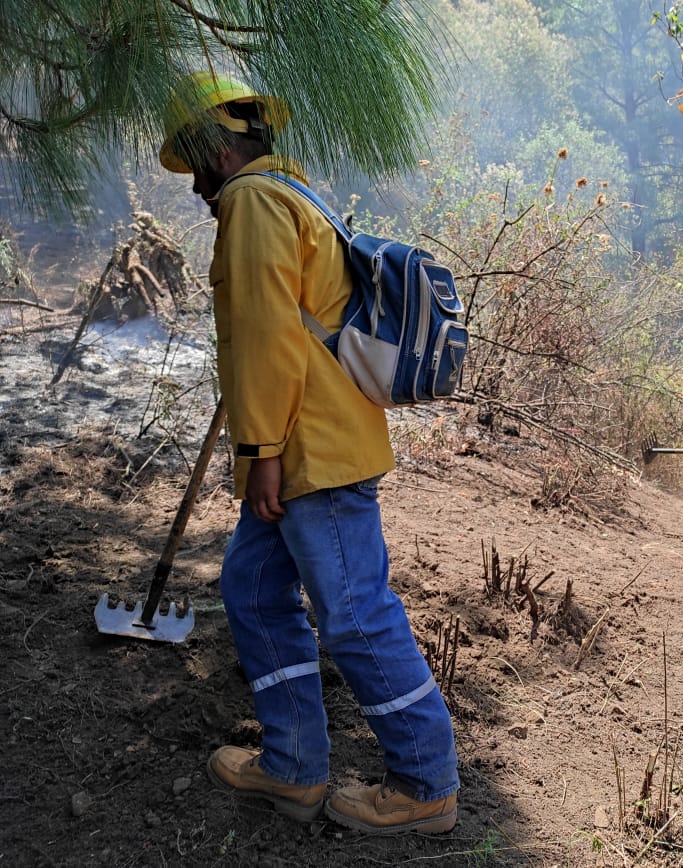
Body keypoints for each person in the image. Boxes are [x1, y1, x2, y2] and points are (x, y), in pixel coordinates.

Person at [158, 71, 459, 834]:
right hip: (302, 447)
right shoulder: (289, 194)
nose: (190, 179)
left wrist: (260, 449)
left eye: (191, 159)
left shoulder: (255, 203)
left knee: (354, 616)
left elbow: (267, 337)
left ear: (214, 148)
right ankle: (293, 768)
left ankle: (425, 783)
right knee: (254, 594)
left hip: (305, 454)